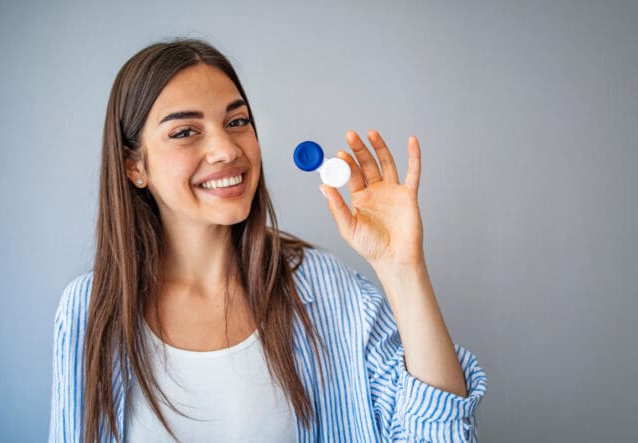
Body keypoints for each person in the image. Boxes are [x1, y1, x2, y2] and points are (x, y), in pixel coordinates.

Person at [49, 38, 487, 443]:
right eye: (185, 131)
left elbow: (439, 434)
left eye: (237, 121)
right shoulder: (90, 311)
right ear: (134, 167)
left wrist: (403, 268)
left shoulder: (326, 290)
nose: (226, 149)